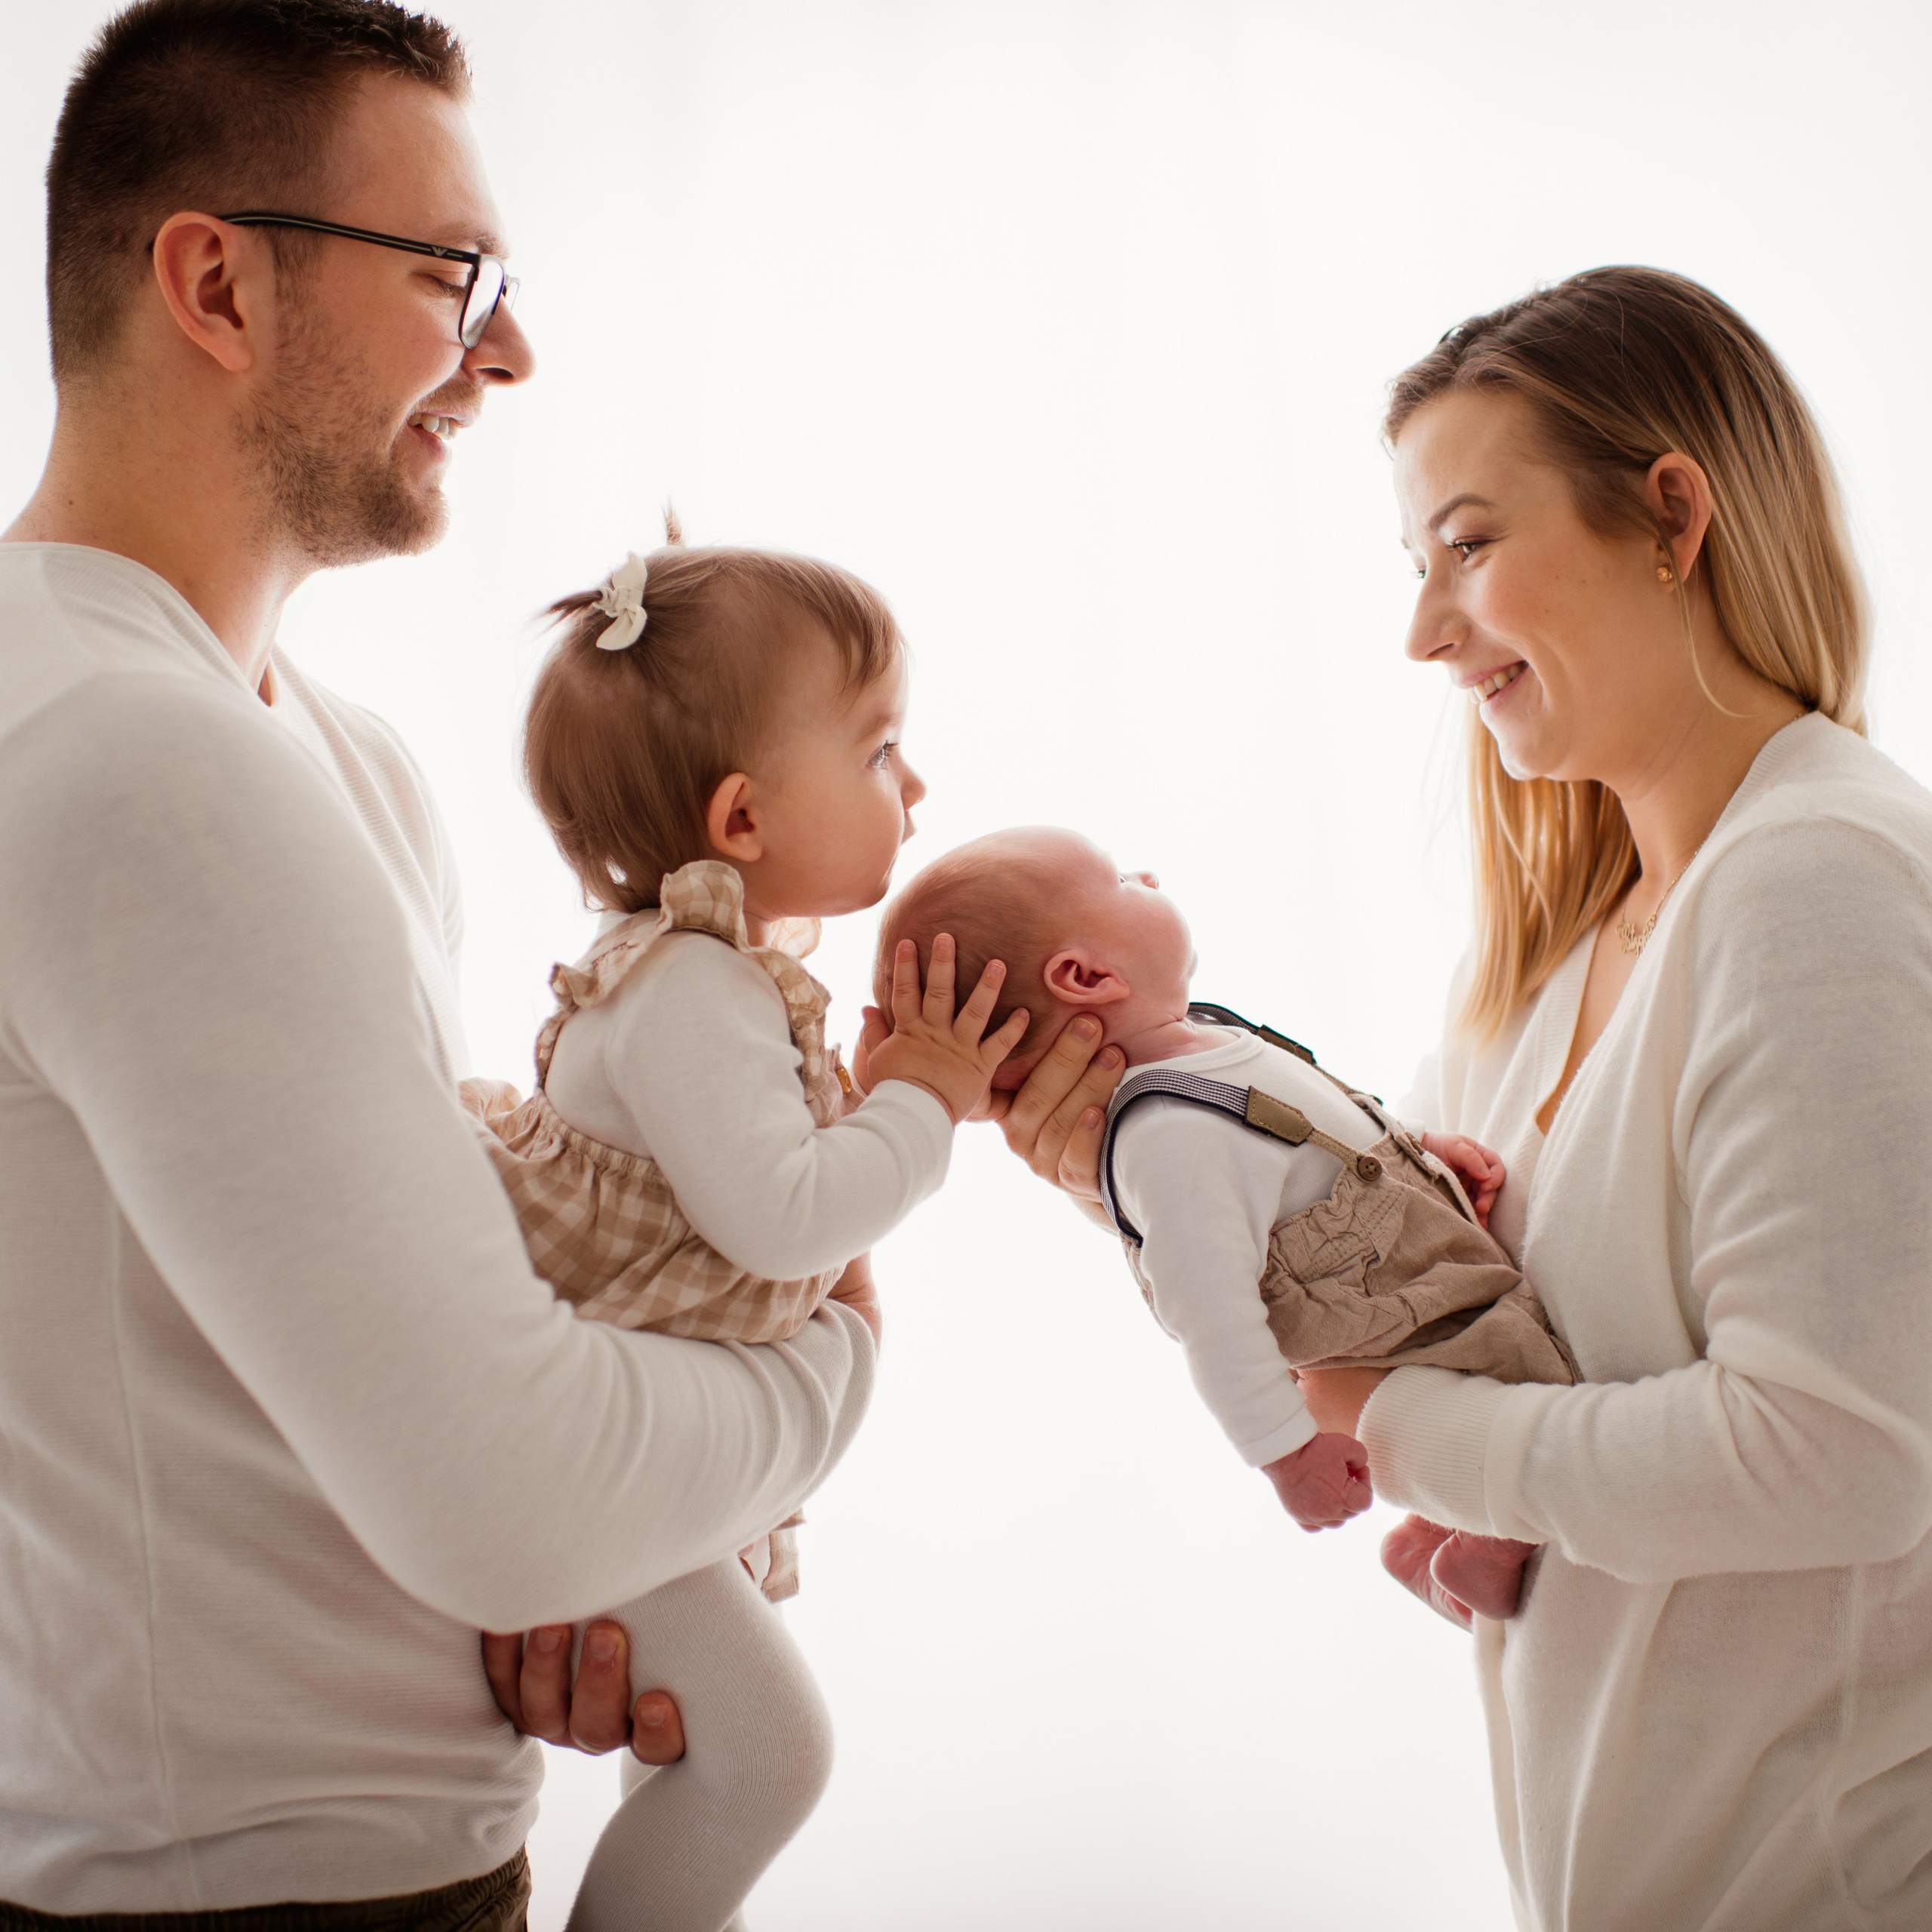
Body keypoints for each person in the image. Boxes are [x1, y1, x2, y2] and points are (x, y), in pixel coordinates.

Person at [0, 1, 877, 1918]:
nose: (513, 346)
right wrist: (838, 1346)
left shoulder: (320, 755)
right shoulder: (127, 760)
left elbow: (441, 1367)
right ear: (215, 284)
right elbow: (511, 1486)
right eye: (452, 272)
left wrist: (559, 1559)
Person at [998, 265, 1932, 1930]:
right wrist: (1094, 1151)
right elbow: (1362, 1279)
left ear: (1670, 513)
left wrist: (1382, 1422)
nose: (1423, 629)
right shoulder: (1554, 961)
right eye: (1416, 561)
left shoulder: (1818, 880)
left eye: (1469, 542)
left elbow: (1837, 1460)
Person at [460, 537, 1023, 1931]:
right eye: (883, 751)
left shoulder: (705, 977)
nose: (918, 785)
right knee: (774, 1759)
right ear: (746, 818)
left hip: (638, 1436)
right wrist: (923, 1105)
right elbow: (782, 1226)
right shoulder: (693, 988)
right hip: (607, 1462)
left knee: (761, 1755)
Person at [876, 824, 1564, 1611]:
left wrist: (1423, 1152)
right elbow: (1213, 1315)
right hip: (1385, 1304)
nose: (1147, 872)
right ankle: (1488, 1543)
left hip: (1403, 1250)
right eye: (1123, 881)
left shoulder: (1204, 1035)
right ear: (1085, 973)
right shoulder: (1163, 1133)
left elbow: (1320, 1132)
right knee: (1529, 1363)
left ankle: (1423, 1539)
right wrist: (1284, 1451)